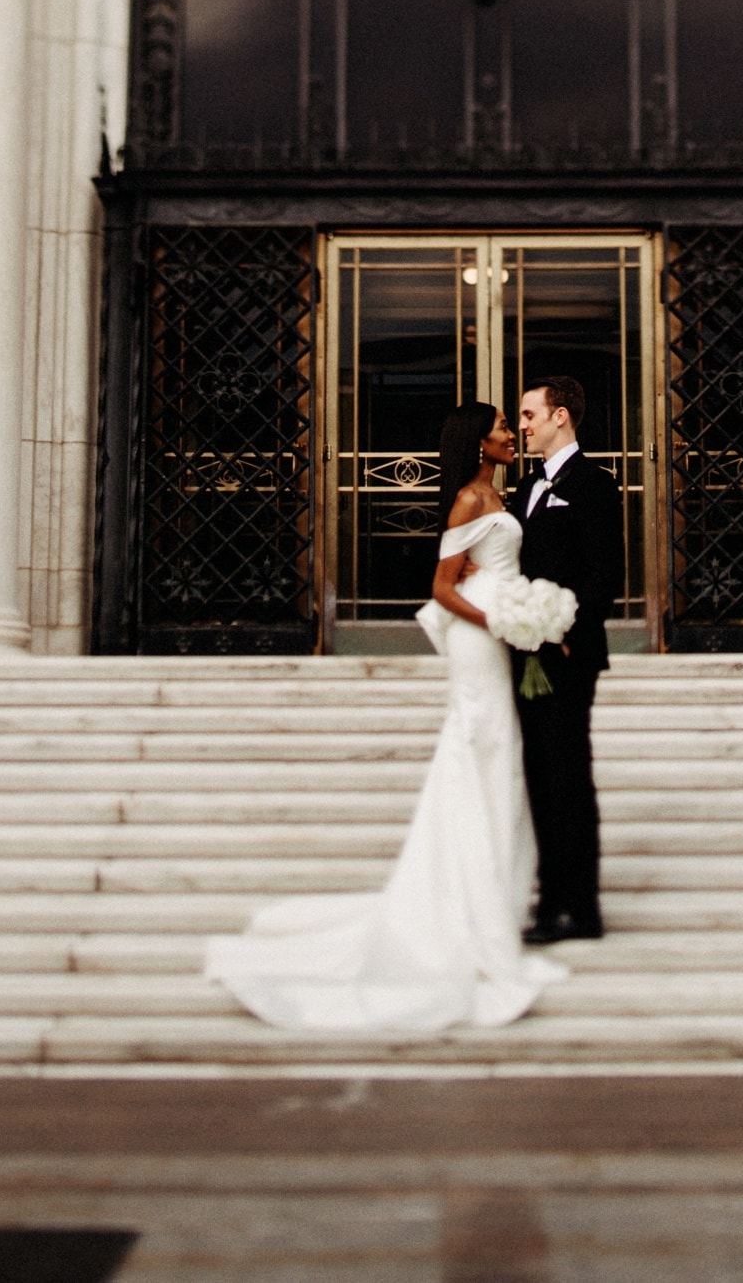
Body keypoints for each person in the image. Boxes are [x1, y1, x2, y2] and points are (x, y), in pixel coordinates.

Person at [205, 401, 568, 1032]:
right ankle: (470, 910)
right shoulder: (467, 499)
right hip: (479, 636)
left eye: (514, 425)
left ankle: (493, 902)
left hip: (502, 629)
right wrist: (502, 623)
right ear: (479, 441)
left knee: (498, 756)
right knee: (482, 743)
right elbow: (442, 587)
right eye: (502, 427)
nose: (511, 434)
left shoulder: (494, 493)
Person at [516, 375, 623, 944]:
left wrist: (565, 630)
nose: (524, 425)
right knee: (539, 776)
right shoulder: (526, 488)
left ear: (561, 416)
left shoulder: (594, 484)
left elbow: (604, 575)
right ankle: (549, 896)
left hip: (570, 653)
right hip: (525, 652)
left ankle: (581, 906)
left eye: (530, 414)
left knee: (569, 776)